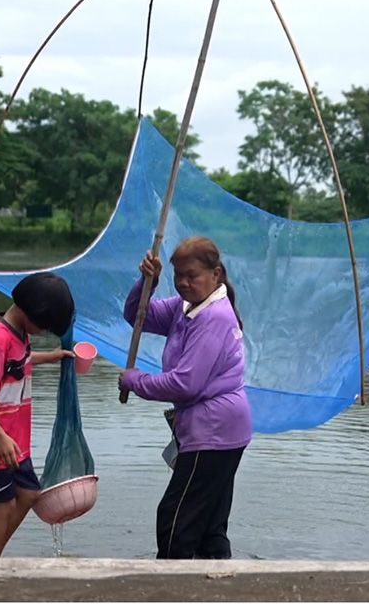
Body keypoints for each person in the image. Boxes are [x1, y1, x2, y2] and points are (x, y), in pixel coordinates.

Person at [119, 236, 252, 559]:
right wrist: (147, 282)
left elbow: (185, 384)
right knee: (209, 526)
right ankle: (218, 579)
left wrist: (136, 380)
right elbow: (138, 316)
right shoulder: (185, 307)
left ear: (215, 274)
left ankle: (170, 582)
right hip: (216, 431)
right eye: (178, 275)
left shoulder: (214, 317)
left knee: (175, 521)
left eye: (192, 276)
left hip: (214, 431)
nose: (183, 283)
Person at [0, 272, 75, 557]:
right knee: (3, 505)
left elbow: (19, 362)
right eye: (43, 326)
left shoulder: (19, 333)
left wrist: (51, 356)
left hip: (13, 438)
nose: (43, 331)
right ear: (30, 312)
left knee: (29, 493)